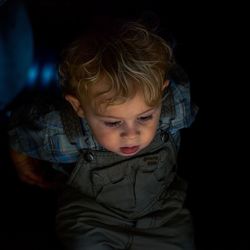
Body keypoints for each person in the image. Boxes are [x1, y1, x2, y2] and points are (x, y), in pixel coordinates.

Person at [8, 17, 198, 250]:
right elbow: (20, 131)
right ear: (79, 107)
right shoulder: (66, 133)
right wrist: (21, 159)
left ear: (162, 94)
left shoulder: (175, 108)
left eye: (145, 117)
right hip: (92, 219)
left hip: (162, 215)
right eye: (113, 122)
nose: (131, 134)